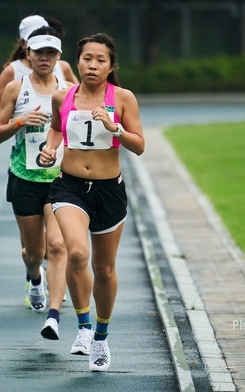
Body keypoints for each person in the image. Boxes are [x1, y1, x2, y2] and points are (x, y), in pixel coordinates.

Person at [39, 33, 145, 371]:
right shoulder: (63, 96)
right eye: (87, 58)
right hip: (69, 187)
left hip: (108, 191)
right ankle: (83, 328)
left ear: (111, 65)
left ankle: (101, 335)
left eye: (100, 60)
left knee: (105, 269)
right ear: (78, 61)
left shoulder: (123, 98)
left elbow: (139, 145)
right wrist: (50, 148)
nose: (93, 65)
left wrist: (115, 129)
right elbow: (56, 129)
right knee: (77, 252)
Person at [0, 26, 74, 340]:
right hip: (24, 177)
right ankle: (34, 278)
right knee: (34, 251)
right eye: (39, 52)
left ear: (59, 56)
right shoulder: (16, 88)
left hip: (60, 180)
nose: (44, 58)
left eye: (51, 53)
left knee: (57, 246)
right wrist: (19, 121)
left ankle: (52, 317)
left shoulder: (70, 90)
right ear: (28, 53)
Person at [0, 15, 79, 123]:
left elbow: (82, 99)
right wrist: (19, 118)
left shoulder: (63, 67)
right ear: (23, 44)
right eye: (33, 39)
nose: (40, 43)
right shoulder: (12, 71)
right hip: (23, 138)